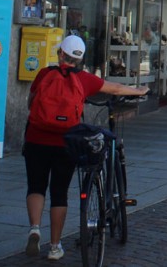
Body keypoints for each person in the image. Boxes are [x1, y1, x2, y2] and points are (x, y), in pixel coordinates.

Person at [23, 35, 146, 260]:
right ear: (79, 59)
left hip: (36, 139)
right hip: (66, 141)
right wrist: (139, 90)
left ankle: (35, 229)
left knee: (36, 186)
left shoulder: (44, 74)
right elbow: (115, 88)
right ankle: (55, 247)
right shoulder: (84, 79)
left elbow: (31, 103)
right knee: (59, 193)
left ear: (60, 53)